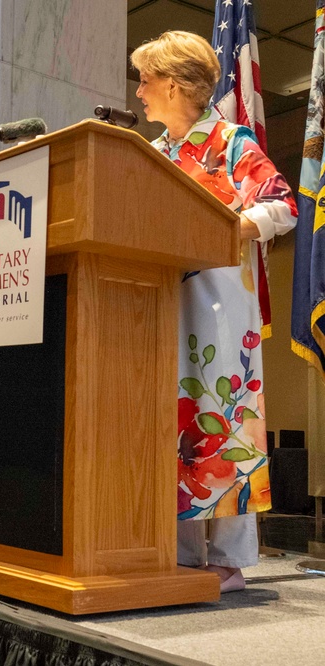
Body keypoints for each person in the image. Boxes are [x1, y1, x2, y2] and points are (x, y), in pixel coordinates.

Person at [131, 31, 298, 593]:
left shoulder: (230, 142)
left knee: (221, 420)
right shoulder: (153, 154)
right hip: (162, 302)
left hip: (220, 303)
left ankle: (229, 560)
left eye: (146, 80)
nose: (138, 92)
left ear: (175, 84)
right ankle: (177, 553)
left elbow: (283, 205)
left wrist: (230, 223)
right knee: (171, 422)